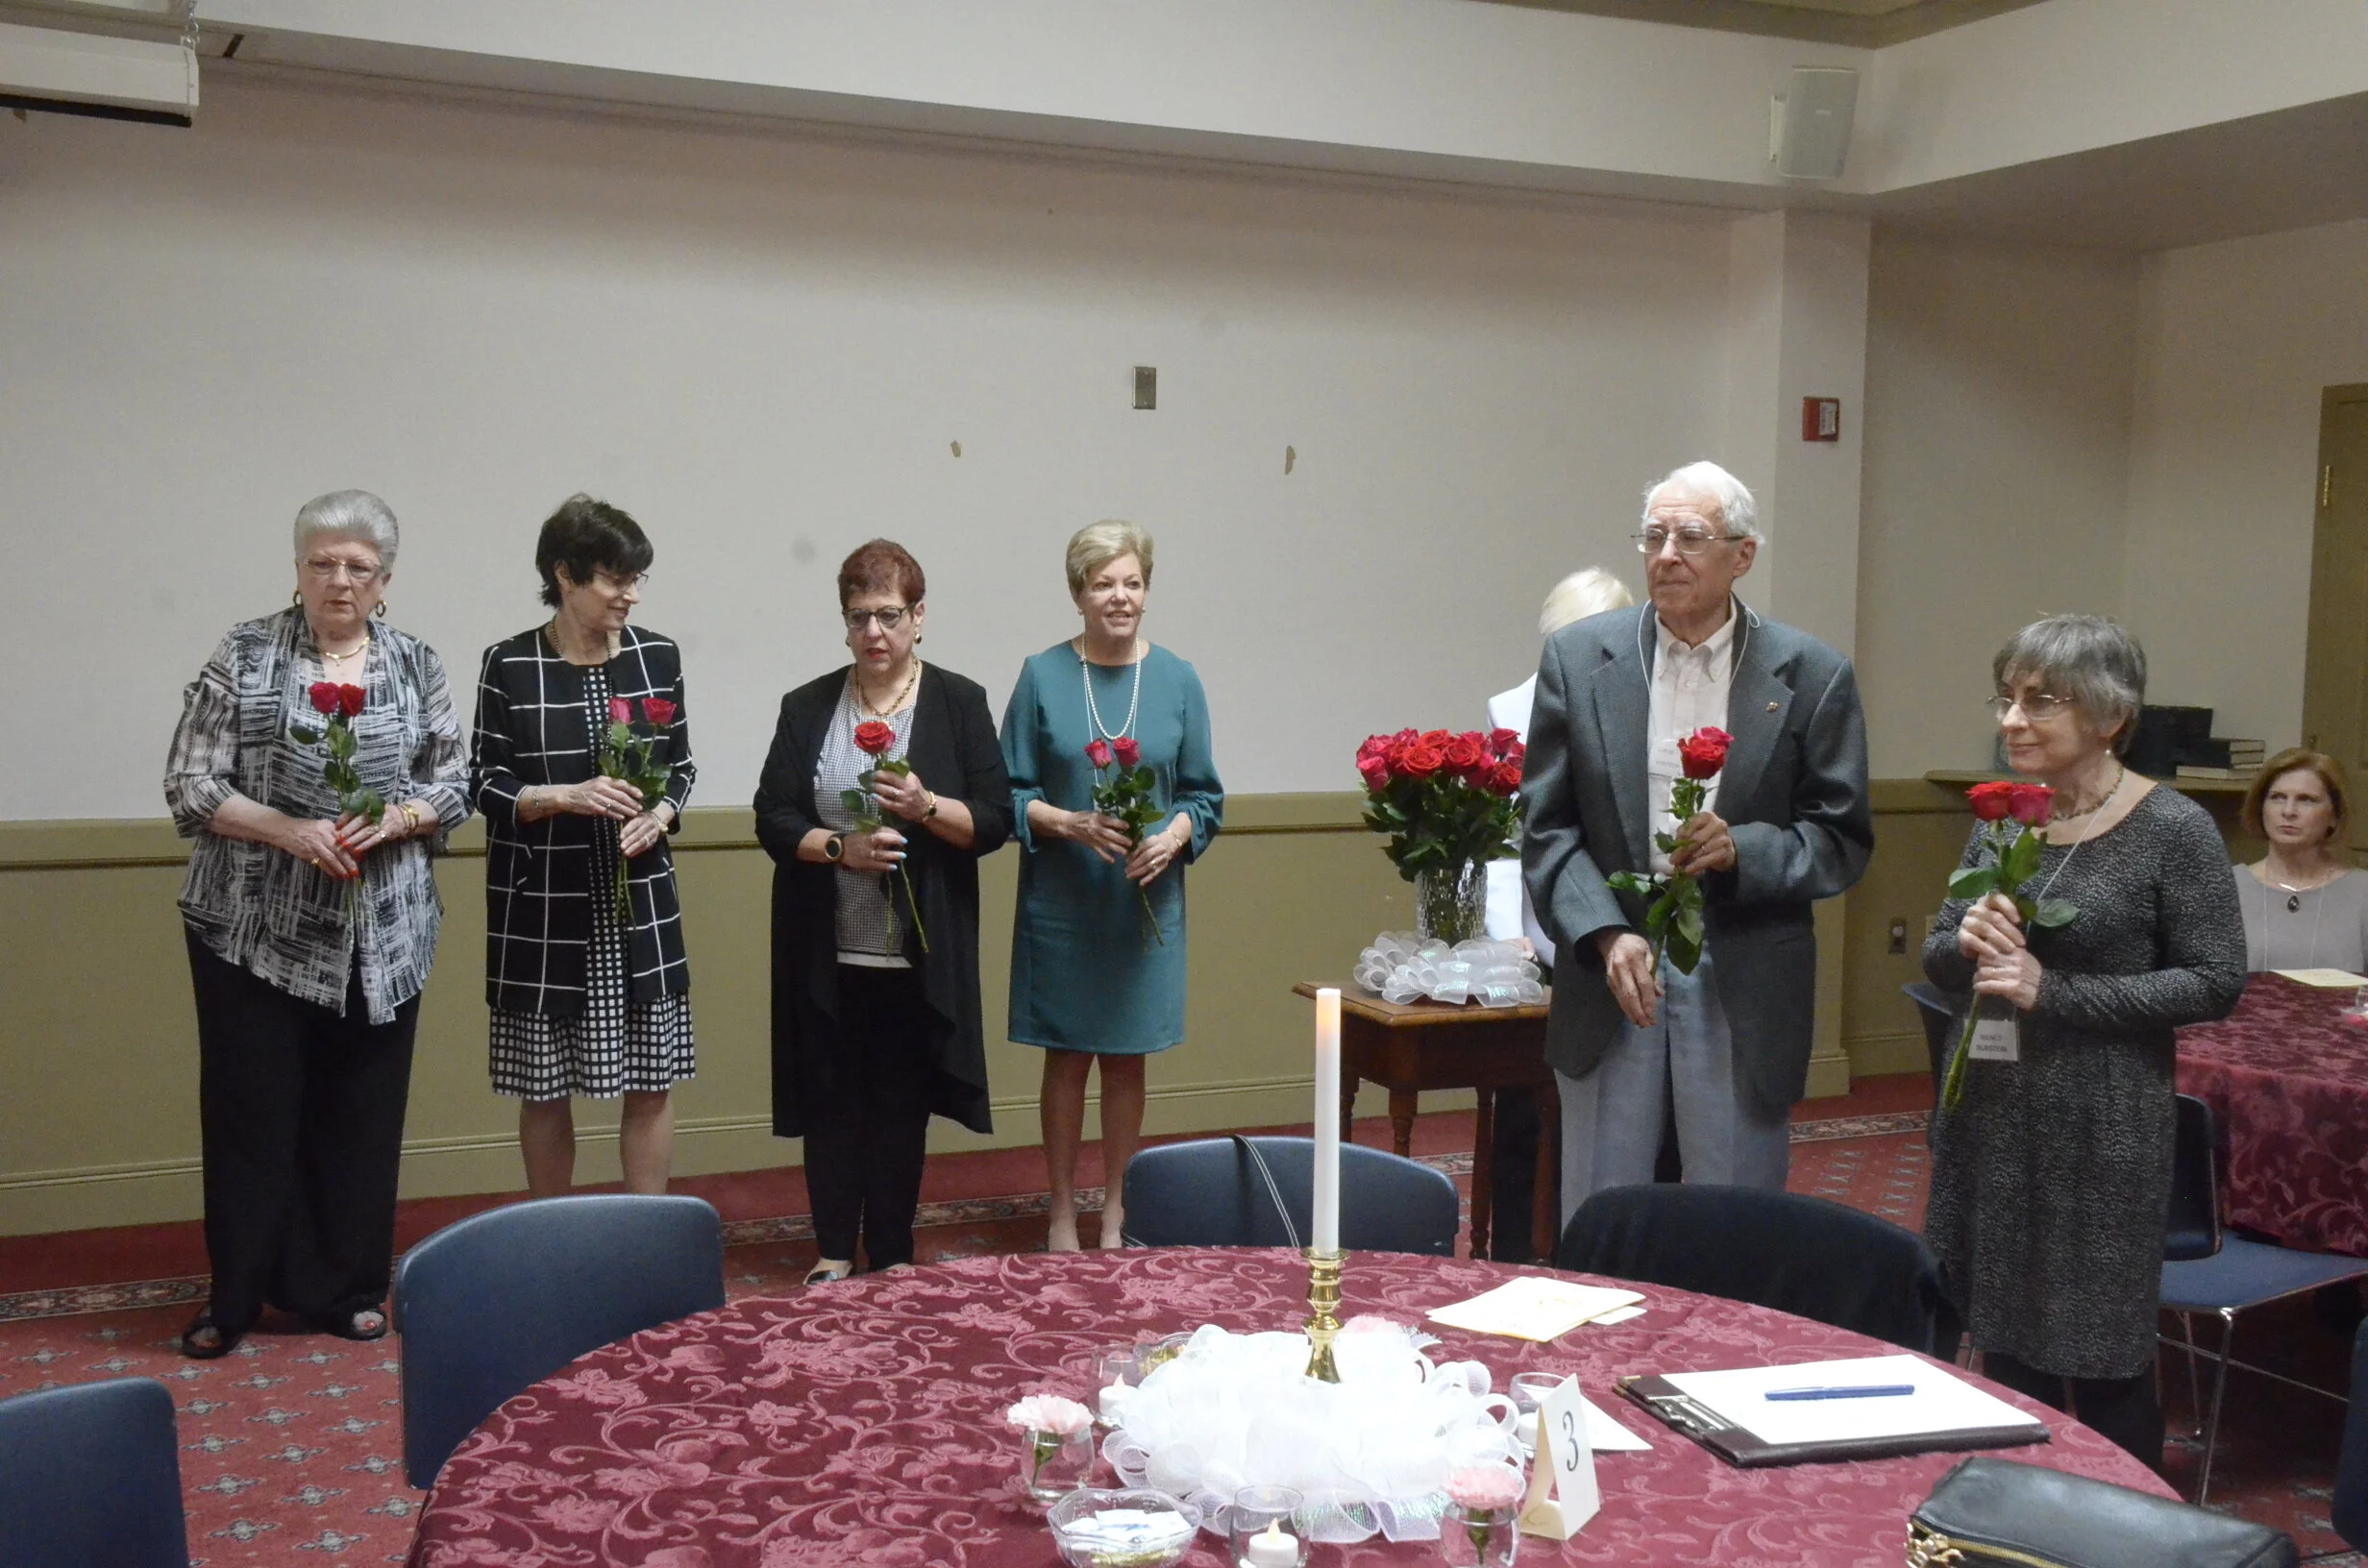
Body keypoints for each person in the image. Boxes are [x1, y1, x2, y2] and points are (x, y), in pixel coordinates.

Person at [1924, 613, 2245, 1464]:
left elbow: (2216, 980)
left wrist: (2054, 991)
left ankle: (2127, 1517)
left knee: (2102, 1357)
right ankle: (2013, 1514)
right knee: (2002, 1344)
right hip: (1991, 1114)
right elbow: (1938, 953)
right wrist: (1963, 943)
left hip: (2102, 1128)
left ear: (2111, 716)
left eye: (2041, 701)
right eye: (2006, 698)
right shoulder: (2003, 818)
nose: (2012, 720)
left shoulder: (2174, 829)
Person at [163, 490, 470, 1359]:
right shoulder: (247, 652)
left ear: (385, 580)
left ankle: (349, 1290)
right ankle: (235, 1298)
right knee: (252, 1120)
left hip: (381, 936)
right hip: (252, 928)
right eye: (322, 563)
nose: (339, 580)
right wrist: (288, 830)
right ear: (297, 569)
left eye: (358, 567)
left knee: (359, 1119)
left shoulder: (415, 663)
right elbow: (190, 782)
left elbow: (453, 780)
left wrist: (403, 816)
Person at [1522, 460, 1871, 1217]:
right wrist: (1605, 932)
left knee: (1733, 1214)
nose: (1667, 555)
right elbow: (1547, 827)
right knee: (1603, 1209)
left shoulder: (1813, 674)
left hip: (1740, 958)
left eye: (1690, 537)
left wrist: (1747, 849)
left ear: (1743, 555)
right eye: (1653, 537)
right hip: (1614, 962)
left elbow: (1840, 837)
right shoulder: (1579, 659)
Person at [753, 540, 1011, 1283]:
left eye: (889, 616)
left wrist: (927, 806)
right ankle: (834, 1249)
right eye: (858, 616)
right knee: (832, 1102)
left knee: (901, 1106)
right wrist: (841, 849)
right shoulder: (808, 706)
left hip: (917, 951)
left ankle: (894, 1254)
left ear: (919, 617)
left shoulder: (958, 702)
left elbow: (994, 821)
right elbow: (772, 817)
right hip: (825, 948)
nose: (874, 632)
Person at [1004, 520, 1224, 1251]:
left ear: (1147, 591)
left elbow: (1203, 796)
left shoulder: (1179, 678)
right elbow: (1009, 794)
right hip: (1065, 904)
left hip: (1143, 900)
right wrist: (1069, 823)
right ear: (1078, 594)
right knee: (1067, 1057)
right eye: (1103, 584)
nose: (1119, 597)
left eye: (1132, 582)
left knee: (1128, 1058)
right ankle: (1062, 1210)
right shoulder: (1042, 675)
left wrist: (1173, 837)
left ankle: (1116, 1210)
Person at [471, 495, 696, 1198]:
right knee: (544, 1088)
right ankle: (552, 1237)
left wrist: (659, 816)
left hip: (639, 905)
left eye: (636, 579)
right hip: (543, 908)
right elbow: (484, 782)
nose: (630, 595)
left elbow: (681, 768)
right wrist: (562, 796)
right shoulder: (510, 663)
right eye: (614, 579)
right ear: (564, 576)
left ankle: (649, 1234)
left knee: (652, 1081)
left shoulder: (658, 655)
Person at [1481, 567, 1634, 1262]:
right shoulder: (1511, 710)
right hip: (1536, 941)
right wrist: (1507, 938)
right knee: (1524, 1107)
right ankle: (1516, 1248)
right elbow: (1505, 842)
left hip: (1616, 932)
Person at [2232, 748, 2366, 974]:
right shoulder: (2228, 887)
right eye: (2277, 797)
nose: (2288, 811)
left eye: (2306, 800)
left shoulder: (2362, 892)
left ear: (2334, 815)